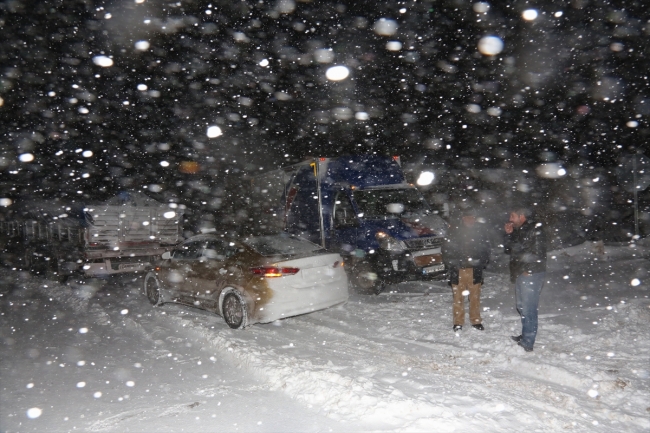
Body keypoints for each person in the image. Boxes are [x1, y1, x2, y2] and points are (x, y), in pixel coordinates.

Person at [504, 207, 547, 352]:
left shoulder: (534, 229)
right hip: (521, 273)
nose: (510, 218)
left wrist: (529, 269)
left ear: (522, 216)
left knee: (529, 309)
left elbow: (538, 251)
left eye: (512, 215)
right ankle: (525, 335)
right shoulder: (520, 230)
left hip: (531, 274)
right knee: (521, 306)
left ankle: (528, 342)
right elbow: (510, 250)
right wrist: (509, 234)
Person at [442, 206, 491, 332]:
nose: (470, 220)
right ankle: (458, 322)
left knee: (475, 297)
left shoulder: (480, 231)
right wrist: (452, 264)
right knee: (458, 298)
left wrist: (482, 262)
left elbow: (486, 248)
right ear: (463, 218)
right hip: (458, 269)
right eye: (468, 217)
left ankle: (475, 321)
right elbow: (446, 249)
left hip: (475, 270)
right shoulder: (454, 231)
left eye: (472, 218)